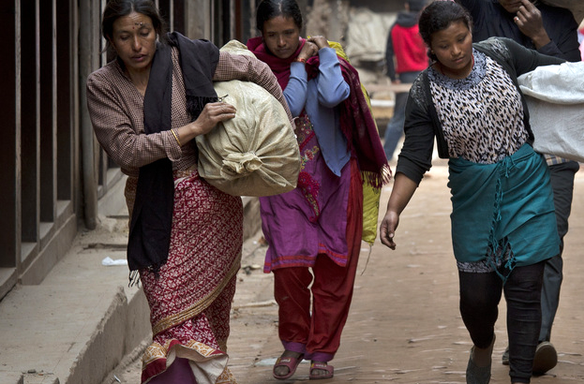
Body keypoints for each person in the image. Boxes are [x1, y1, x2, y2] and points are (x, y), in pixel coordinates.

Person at [85, 0, 290, 382]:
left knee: (210, 327)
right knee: (175, 329)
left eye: (144, 32)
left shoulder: (186, 58)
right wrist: (193, 129)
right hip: (158, 222)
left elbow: (253, 67)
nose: (137, 45)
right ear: (111, 41)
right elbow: (127, 151)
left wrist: (279, 131)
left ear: (157, 29)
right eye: (125, 37)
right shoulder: (103, 85)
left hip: (215, 213)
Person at [378, 2, 564, 383]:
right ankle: (483, 343)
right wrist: (394, 208)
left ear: (470, 32)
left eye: (461, 39)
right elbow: (414, 157)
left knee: (526, 292)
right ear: (431, 47)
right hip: (474, 200)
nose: (457, 50)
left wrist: (544, 38)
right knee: (477, 302)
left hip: (527, 187)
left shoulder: (501, 52)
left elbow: (555, 72)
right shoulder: (424, 91)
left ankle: (520, 378)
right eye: (445, 45)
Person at [248, 0, 390, 380]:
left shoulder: (327, 60)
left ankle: (322, 350)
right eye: (272, 34)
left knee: (334, 270)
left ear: (301, 29)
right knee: (289, 269)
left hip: (335, 178)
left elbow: (332, 95)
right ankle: (294, 345)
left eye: (289, 34)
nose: (281, 42)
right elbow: (288, 105)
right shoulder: (252, 69)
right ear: (261, 33)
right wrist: (297, 65)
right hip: (283, 184)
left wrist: (324, 53)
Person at [456, 0, 580, 373]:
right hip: (489, 158)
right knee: (489, 254)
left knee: (546, 246)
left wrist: (540, 36)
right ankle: (486, 337)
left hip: (551, 153)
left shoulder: (558, 21)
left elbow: (572, 80)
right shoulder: (474, 12)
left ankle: (532, 340)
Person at [383, 0, 430, 161]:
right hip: (425, 75)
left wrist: (392, 77)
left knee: (398, 118)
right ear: (423, 8)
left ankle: (385, 158)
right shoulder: (424, 26)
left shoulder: (395, 27)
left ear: (407, 6)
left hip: (403, 78)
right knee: (427, 119)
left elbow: (388, 54)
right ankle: (420, 160)